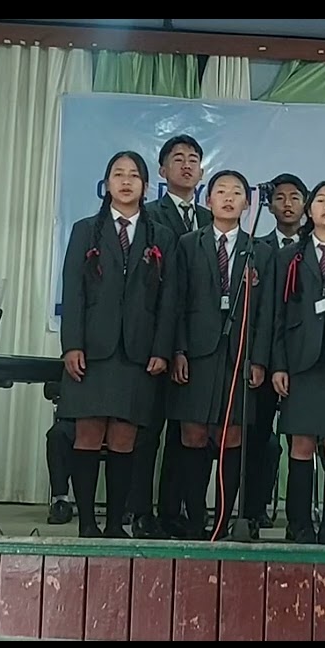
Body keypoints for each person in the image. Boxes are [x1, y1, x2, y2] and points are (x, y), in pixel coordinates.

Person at [58, 150, 179, 539]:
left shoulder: (160, 235)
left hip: (137, 352)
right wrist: (71, 344)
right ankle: (88, 523)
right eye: (118, 174)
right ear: (107, 183)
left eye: (134, 176)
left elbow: (169, 299)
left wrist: (161, 348)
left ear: (146, 186)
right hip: (92, 350)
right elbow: (73, 292)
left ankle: (114, 523)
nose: (126, 181)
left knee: (126, 437)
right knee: (88, 434)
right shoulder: (84, 230)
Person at [168, 170, 273, 540]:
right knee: (193, 436)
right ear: (207, 199)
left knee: (232, 438)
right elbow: (175, 303)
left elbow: (266, 313)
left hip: (238, 358)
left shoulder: (260, 251)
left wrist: (258, 359)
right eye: (221, 191)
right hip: (196, 356)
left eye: (237, 192)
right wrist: (177, 349)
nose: (229, 198)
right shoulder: (186, 244)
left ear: (247, 203)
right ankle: (195, 522)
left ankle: (223, 521)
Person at [133, 134, 213, 539]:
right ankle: (141, 512)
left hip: (195, 346)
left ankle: (173, 510)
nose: (186, 165)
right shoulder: (148, 216)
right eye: (177, 159)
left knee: (185, 437)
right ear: (162, 171)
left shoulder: (208, 219)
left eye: (193, 159)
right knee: (147, 433)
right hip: (152, 343)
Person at [271, 180, 325, 545]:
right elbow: (275, 313)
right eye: (320, 200)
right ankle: (299, 524)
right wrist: (277, 363)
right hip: (300, 360)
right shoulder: (289, 255)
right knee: (301, 446)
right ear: (309, 210)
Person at [246, 173, 308, 529]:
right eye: (280, 197)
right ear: (269, 206)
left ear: (306, 204)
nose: (287, 203)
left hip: (308, 361)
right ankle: (254, 510)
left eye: (295, 197)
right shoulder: (258, 245)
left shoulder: (318, 245)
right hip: (267, 360)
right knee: (259, 439)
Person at [42, 381, 75, 525]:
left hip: (110, 418)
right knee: (56, 435)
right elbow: (50, 389)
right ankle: (60, 500)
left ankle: (122, 504)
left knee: (129, 435)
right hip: (74, 417)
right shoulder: (71, 359)